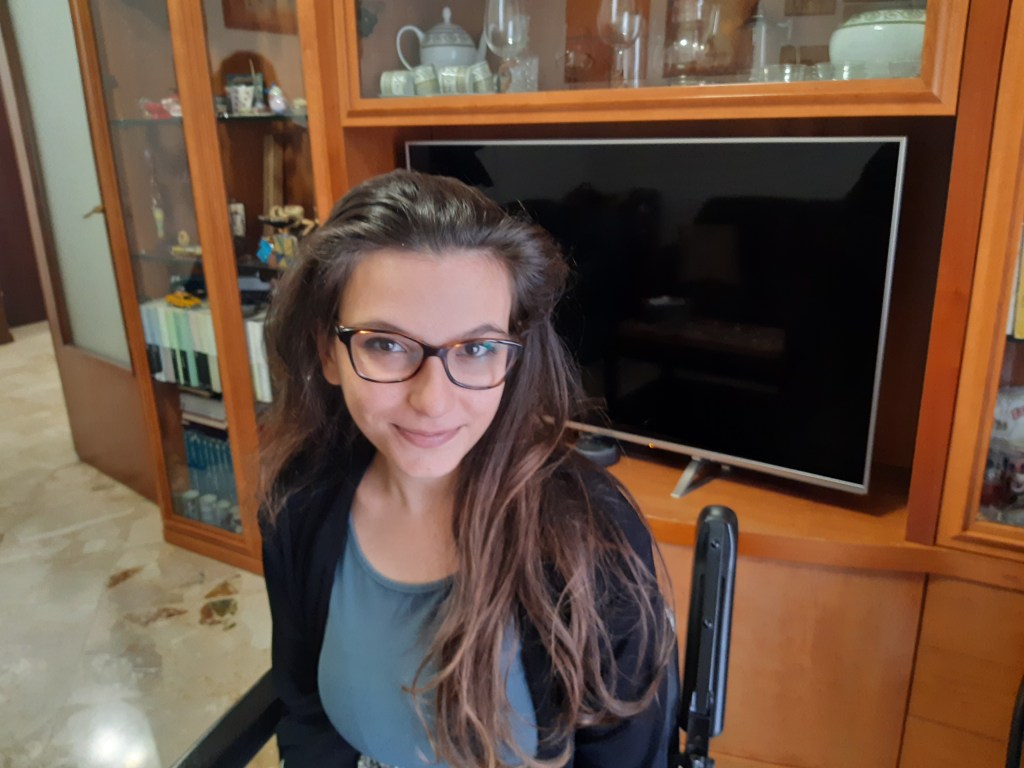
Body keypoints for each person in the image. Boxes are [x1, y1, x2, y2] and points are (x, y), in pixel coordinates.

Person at [259, 169, 677, 768]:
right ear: (330, 352)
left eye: (477, 348)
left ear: (512, 356)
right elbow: (305, 715)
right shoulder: (299, 499)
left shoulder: (588, 537)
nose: (433, 400)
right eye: (387, 344)